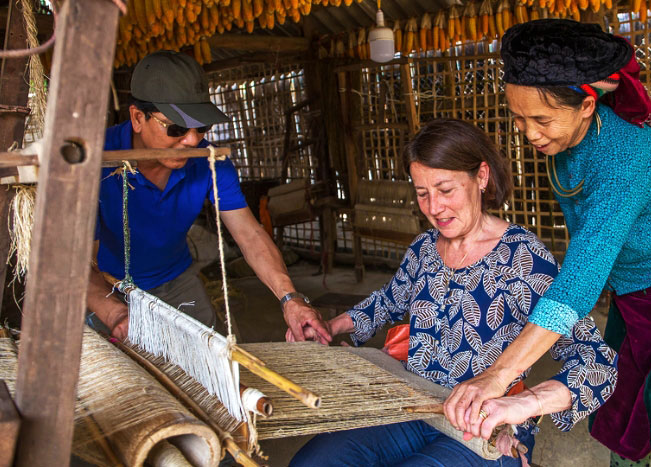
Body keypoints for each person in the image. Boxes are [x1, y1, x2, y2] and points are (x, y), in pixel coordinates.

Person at [288, 119, 617, 466]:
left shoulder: (522, 258)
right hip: (413, 403)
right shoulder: (424, 249)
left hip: (482, 426)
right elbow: (387, 301)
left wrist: (525, 404)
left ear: (481, 177)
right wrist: (330, 327)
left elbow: (598, 363)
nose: (434, 208)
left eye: (446, 190)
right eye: (422, 193)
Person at [452, 20, 651, 466]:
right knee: (621, 416)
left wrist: (498, 375)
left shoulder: (624, 159)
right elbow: (588, 248)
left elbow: (580, 280)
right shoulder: (565, 147)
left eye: (541, 119)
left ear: (587, 106)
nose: (529, 133)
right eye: (519, 118)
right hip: (634, 292)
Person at [86, 50, 330, 344]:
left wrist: (290, 298)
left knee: (220, 360)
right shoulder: (94, 162)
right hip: (108, 287)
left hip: (176, 279)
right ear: (138, 118)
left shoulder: (210, 162)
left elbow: (250, 234)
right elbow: (77, 261)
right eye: (176, 128)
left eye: (200, 127)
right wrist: (115, 314)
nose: (191, 140)